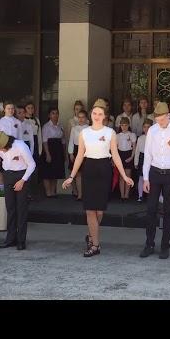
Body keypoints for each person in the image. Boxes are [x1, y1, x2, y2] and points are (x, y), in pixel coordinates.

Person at [62, 99, 134, 257]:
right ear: (90, 115)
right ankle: (95, 245)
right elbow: (80, 155)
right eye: (94, 113)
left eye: (100, 114)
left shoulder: (110, 133)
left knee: (99, 211)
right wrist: (71, 176)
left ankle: (91, 235)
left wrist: (124, 175)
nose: (96, 116)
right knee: (89, 210)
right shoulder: (84, 133)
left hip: (104, 169)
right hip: (89, 169)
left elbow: (115, 155)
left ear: (104, 116)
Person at [139, 101, 170, 260]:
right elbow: (147, 155)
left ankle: (165, 245)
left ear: (168, 115)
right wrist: (145, 178)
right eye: (157, 119)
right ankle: (149, 243)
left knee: (168, 211)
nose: (159, 122)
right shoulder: (152, 130)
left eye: (161, 119)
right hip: (154, 172)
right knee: (151, 209)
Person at [0, 131, 36, 250]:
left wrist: (22, 181)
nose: (1, 150)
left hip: (22, 175)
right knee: (10, 209)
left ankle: (21, 241)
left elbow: (32, 164)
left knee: (21, 209)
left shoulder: (21, 146)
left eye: (2, 148)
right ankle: (10, 239)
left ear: (8, 144)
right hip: (8, 175)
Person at [0, 101, 19, 188]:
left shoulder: (18, 122)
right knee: (1, 174)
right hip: (2, 150)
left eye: (12, 108)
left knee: (14, 172)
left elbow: (20, 138)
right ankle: (0, 194)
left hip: (15, 150)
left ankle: (12, 192)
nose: (10, 110)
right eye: (8, 108)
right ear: (4, 109)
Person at [40, 108, 66, 198]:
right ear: (49, 115)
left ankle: (53, 191)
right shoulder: (46, 126)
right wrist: (47, 153)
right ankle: (48, 192)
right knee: (47, 172)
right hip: (49, 148)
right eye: (53, 113)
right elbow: (44, 141)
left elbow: (63, 140)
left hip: (58, 149)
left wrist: (64, 153)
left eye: (56, 113)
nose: (55, 115)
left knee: (55, 171)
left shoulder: (60, 126)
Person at [67, 109, 89, 201]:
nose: (81, 119)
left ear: (86, 118)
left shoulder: (89, 128)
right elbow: (71, 141)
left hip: (87, 151)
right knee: (78, 173)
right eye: (79, 117)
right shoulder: (74, 128)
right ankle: (80, 194)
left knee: (87, 173)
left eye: (82, 117)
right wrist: (71, 153)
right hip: (76, 150)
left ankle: (87, 193)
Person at [117, 116, 137, 202]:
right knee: (121, 176)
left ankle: (126, 195)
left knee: (128, 176)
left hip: (129, 154)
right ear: (120, 126)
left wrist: (132, 157)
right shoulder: (117, 135)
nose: (124, 127)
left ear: (128, 125)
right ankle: (122, 195)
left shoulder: (132, 134)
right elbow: (115, 148)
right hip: (120, 154)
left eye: (125, 125)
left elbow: (134, 147)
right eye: (122, 125)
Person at [134, 118, 153, 203]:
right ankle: (140, 195)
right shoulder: (140, 138)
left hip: (152, 158)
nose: (146, 129)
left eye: (148, 127)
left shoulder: (154, 137)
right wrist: (136, 161)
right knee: (141, 177)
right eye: (145, 127)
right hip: (142, 157)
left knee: (152, 178)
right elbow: (137, 150)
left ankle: (152, 195)